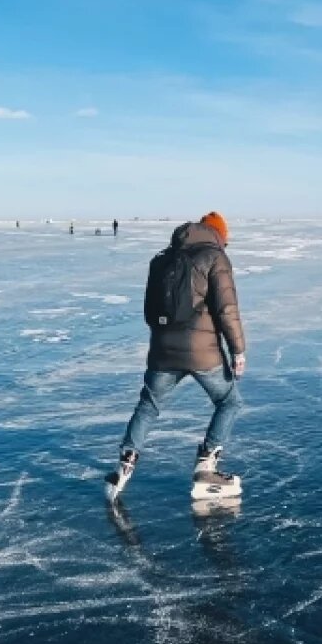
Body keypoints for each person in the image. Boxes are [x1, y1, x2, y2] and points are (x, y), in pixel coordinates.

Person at [106, 211, 246, 503]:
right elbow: (226, 310)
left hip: (162, 353)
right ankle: (206, 465)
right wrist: (238, 350)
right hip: (203, 354)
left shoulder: (161, 260)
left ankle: (126, 462)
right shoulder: (215, 258)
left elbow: (148, 312)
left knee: (149, 404)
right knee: (229, 401)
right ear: (219, 235)